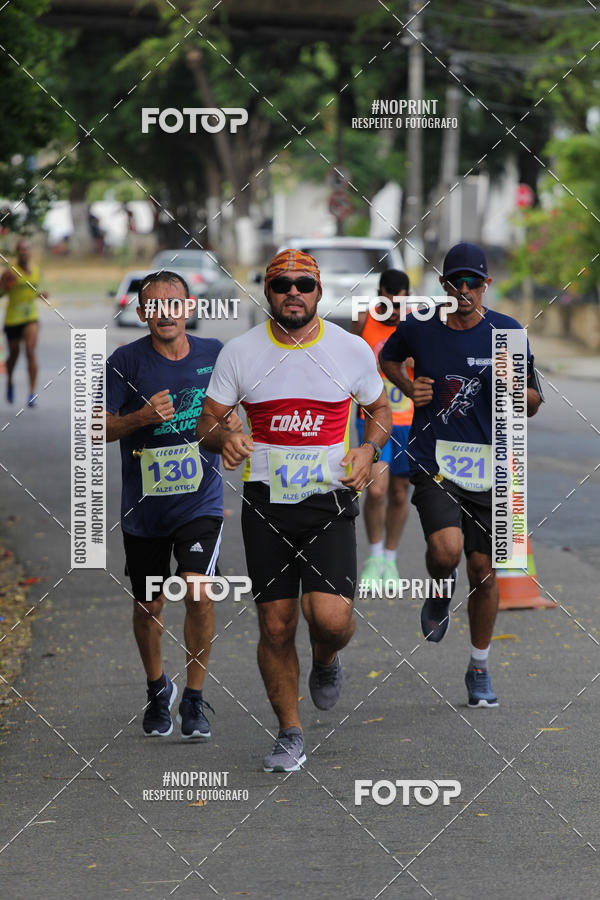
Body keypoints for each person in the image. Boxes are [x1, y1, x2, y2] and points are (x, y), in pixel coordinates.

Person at [196, 249, 392, 772]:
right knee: (277, 626)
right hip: (267, 505)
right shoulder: (241, 352)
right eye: (282, 285)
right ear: (267, 292)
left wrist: (368, 449)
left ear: (319, 291)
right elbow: (207, 421)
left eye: (304, 284)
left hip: (328, 499)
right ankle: (289, 732)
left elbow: (380, 408)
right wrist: (224, 440)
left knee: (331, 620)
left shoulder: (349, 349)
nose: (293, 293)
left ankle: (326, 657)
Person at [380, 242, 543, 708]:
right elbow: (387, 358)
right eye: (457, 282)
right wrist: (409, 386)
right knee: (446, 550)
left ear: (486, 284)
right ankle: (439, 588)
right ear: (444, 285)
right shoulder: (420, 327)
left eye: (474, 282)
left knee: (484, 573)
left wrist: (512, 389)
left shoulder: (506, 333)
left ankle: (479, 666)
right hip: (435, 460)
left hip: (495, 466)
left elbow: (533, 402)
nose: (465, 290)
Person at [105, 271, 232, 739]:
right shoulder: (125, 361)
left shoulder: (214, 354)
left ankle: (194, 698)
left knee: (197, 591)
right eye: (155, 305)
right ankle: (158, 688)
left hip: (200, 501)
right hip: (144, 510)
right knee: (149, 606)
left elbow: (234, 410)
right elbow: (97, 427)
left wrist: (233, 429)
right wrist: (141, 416)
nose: (165, 313)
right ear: (142, 313)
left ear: (189, 307)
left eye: (173, 303)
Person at [352, 268, 414, 589]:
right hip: (373, 418)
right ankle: (375, 556)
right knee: (376, 490)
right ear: (379, 296)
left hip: (408, 420)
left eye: (400, 304)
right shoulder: (363, 320)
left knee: (400, 493)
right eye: (388, 303)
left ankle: (390, 559)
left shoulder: (418, 323)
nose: (394, 311)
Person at [1, 238, 47, 407]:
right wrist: (4, 285)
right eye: (21, 249)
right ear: (17, 252)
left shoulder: (36, 271)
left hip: (30, 317)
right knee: (14, 354)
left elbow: (34, 292)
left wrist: (42, 295)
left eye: (27, 249)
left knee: (30, 351)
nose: (24, 252)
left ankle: (32, 393)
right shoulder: (11, 272)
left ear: (30, 252)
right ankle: (10, 381)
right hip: (13, 318)